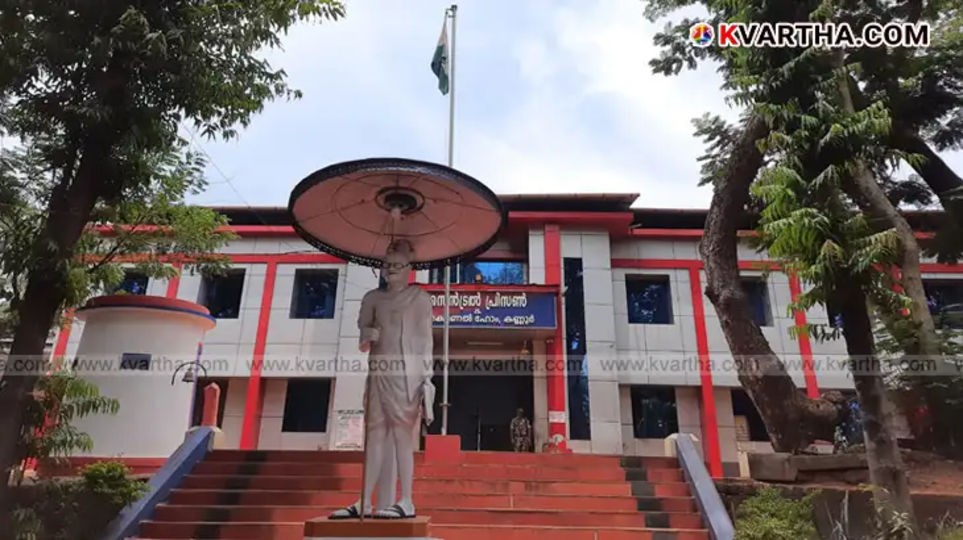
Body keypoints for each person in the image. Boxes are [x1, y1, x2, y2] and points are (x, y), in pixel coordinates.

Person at [329, 239, 435, 520]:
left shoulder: (419, 298)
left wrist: (427, 378)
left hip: (406, 374)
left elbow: (426, 341)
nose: (390, 271)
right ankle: (365, 500)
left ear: (409, 268)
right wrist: (368, 335)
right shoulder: (371, 299)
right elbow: (363, 337)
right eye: (386, 266)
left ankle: (407, 500)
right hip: (378, 372)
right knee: (374, 434)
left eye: (397, 266)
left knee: (403, 435)